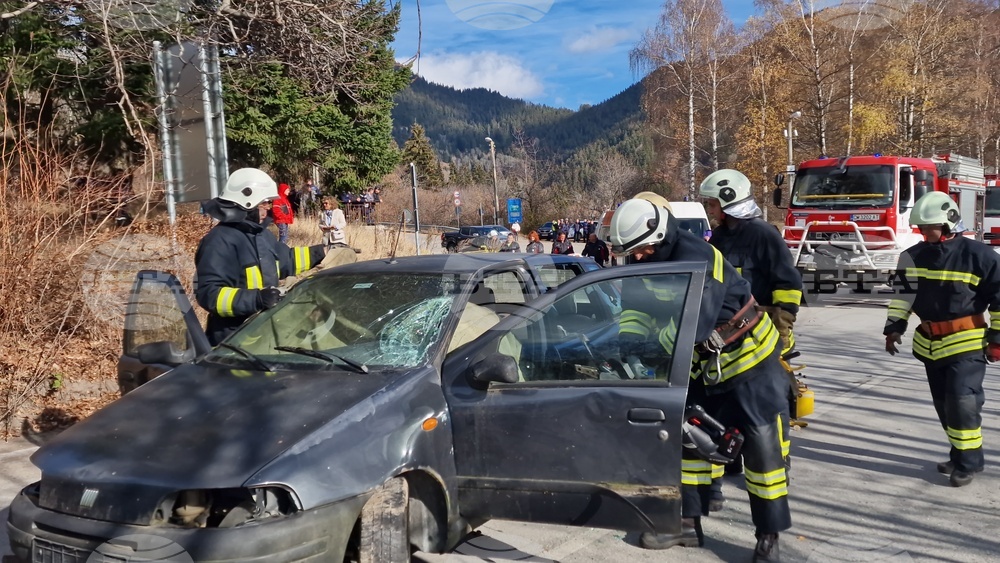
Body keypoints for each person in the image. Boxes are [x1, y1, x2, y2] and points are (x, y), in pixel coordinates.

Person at [610, 198, 790, 561]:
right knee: (690, 444)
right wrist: (627, 341)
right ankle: (687, 525)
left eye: (641, 250)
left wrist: (649, 347)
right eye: (632, 253)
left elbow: (693, 324)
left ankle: (767, 536)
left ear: (658, 236)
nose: (638, 258)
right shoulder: (645, 257)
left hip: (748, 359)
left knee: (761, 448)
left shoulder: (697, 258)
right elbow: (636, 307)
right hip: (702, 364)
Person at [883, 191, 1000, 487]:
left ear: (948, 223)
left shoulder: (981, 256)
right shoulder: (912, 256)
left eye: (927, 228)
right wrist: (894, 327)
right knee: (944, 405)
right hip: (930, 344)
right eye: (920, 229)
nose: (922, 233)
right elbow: (902, 296)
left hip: (968, 342)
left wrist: (997, 339)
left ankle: (968, 462)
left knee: (963, 402)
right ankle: (959, 452)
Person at [699, 169, 802, 503]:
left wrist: (783, 327)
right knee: (727, 401)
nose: (709, 208)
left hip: (765, 333)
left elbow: (788, 283)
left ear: (728, 201)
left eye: (712, 202)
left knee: (772, 402)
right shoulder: (718, 239)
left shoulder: (763, 235)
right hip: (727, 339)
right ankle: (734, 456)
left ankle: (777, 459)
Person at [195, 168, 326, 346]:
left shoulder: (260, 234)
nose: (267, 209)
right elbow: (209, 295)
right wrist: (256, 299)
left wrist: (322, 253)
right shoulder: (219, 241)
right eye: (264, 203)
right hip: (232, 341)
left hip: (261, 333)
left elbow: (287, 259)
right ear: (246, 203)